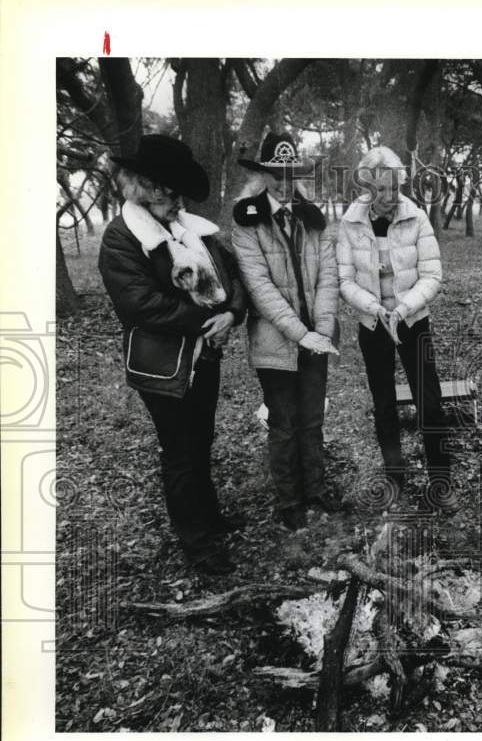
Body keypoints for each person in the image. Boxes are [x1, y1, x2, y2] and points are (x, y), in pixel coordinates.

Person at [97, 134, 247, 575]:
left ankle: (210, 519)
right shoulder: (121, 238)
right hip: (162, 365)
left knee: (201, 441)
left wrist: (232, 315)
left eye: (175, 188)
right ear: (140, 185)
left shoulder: (191, 229)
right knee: (179, 452)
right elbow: (140, 306)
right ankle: (198, 544)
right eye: (163, 188)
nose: (173, 197)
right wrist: (206, 318)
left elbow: (231, 277)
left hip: (205, 356)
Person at [231, 132, 342, 531]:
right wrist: (300, 333)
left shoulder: (314, 217)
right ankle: (289, 499)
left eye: (290, 173)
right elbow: (259, 287)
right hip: (276, 341)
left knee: (313, 419)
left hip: (317, 339)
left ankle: (314, 489)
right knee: (284, 422)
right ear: (262, 174)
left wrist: (323, 329)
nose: (283, 181)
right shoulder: (246, 220)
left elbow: (329, 276)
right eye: (275, 173)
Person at [337, 146, 457, 511]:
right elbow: (345, 280)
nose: (388, 197)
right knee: (384, 401)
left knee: (430, 402)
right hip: (373, 324)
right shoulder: (351, 221)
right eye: (379, 190)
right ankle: (395, 476)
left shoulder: (416, 217)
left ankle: (441, 481)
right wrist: (375, 308)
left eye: (393, 188)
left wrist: (403, 308)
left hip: (412, 322)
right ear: (366, 187)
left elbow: (432, 275)